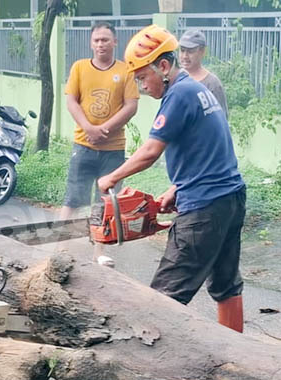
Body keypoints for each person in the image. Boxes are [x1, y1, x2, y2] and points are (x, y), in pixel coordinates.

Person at [97, 24, 246, 333]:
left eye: (142, 77)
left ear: (163, 66)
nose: (141, 86)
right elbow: (211, 146)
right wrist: (177, 187)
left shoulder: (178, 94)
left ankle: (145, 369)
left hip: (205, 208)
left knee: (163, 298)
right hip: (229, 198)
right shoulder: (198, 89)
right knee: (226, 284)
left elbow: (151, 151)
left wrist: (112, 177)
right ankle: (238, 355)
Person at [61, 21, 139, 267]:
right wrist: (89, 128)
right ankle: (60, 247)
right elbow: (72, 100)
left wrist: (104, 129)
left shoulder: (126, 71)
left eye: (105, 39)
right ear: (90, 43)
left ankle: (99, 252)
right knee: (72, 199)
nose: (101, 44)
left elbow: (131, 106)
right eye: (96, 40)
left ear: (115, 42)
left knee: (106, 202)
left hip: (113, 149)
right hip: (83, 146)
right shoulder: (80, 68)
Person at [178, 29, 228, 116]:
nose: (185, 56)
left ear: (202, 51)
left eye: (190, 51)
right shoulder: (174, 79)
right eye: (182, 50)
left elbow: (221, 119)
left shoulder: (212, 84)